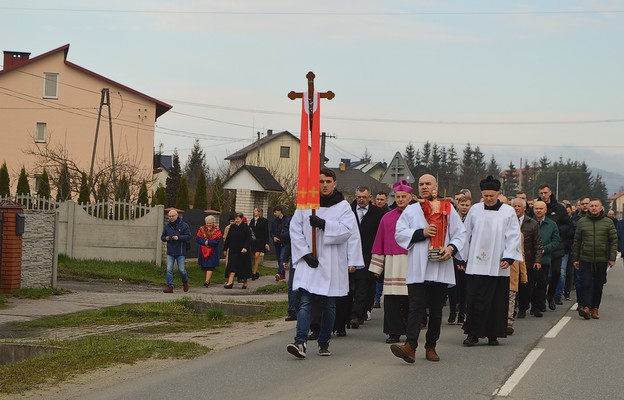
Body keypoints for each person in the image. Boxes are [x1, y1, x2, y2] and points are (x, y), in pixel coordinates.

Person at [286, 168, 363, 358]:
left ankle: (324, 340)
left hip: (331, 262)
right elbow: (295, 229)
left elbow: (348, 231)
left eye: (328, 181)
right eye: (321, 181)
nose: (325, 185)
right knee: (305, 302)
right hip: (309, 261)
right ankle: (300, 341)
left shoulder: (343, 207)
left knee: (329, 304)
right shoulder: (305, 205)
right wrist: (304, 254)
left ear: (334, 183)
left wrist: (324, 225)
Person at [391, 174, 466, 363]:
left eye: (428, 184)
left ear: (436, 186)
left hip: (440, 266)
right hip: (418, 267)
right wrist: (421, 233)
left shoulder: (447, 208)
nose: (424, 186)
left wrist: (451, 248)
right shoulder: (411, 209)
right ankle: (410, 346)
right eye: (421, 184)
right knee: (415, 307)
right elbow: (399, 233)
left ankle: (431, 346)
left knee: (436, 310)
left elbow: (460, 233)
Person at [459, 175, 522, 347]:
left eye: (491, 196)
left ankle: (493, 333)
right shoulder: (475, 210)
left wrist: (509, 256)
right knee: (474, 299)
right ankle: (473, 333)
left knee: (496, 300)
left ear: (498, 194)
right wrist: (463, 258)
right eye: (485, 195)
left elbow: (514, 235)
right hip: (475, 263)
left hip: (497, 263)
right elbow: (466, 234)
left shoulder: (508, 211)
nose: (488, 199)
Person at [369, 180, 412, 344]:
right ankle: (393, 332)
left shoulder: (417, 215)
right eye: (398, 196)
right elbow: (379, 240)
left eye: (403, 196)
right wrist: (377, 267)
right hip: (392, 263)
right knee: (392, 300)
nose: (400, 199)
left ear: (410, 197)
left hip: (411, 262)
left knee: (410, 299)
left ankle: (410, 331)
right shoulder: (387, 218)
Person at [572, 199, 617, 320]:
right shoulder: (582, 222)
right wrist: (575, 258)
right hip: (585, 258)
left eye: (596, 206)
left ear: (601, 208)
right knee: (586, 283)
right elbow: (577, 241)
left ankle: (595, 308)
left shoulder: (608, 222)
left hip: (602, 259)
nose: (593, 208)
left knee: (598, 284)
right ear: (588, 208)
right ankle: (586, 307)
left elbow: (613, 241)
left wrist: (612, 257)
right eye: (591, 206)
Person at [349, 186, 385, 329]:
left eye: (364, 197)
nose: (361, 200)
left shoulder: (378, 213)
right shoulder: (349, 211)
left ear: (370, 197)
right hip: (350, 253)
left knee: (363, 286)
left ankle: (358, 315)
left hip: (369, 254)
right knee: (352, 287)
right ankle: (354, 313)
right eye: (359, 197)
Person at [537, 184, 573, 311]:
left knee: (557, 273)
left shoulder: (559, 208)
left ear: (550, 192)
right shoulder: (536, 208)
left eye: (545, 193)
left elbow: (568, 226)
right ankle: (539, 301)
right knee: (542, 276)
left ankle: (551, 295)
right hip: (540, 248)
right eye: (541, 193)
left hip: (556, 247)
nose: (543, 195)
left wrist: (554, 228)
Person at [527, 201, 560, 317]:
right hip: (529, 259)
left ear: (545, 210)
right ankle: (532, 304)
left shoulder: (551, 224)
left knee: (541, 284)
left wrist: (544, 249)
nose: (538, 211)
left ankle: (538, 306)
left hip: (544, 259)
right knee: (530, 284)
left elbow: (556, 241)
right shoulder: (528, 222)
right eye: (536, 208)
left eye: (541, 208)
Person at [513, 198, 543, 320]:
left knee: (526, 286)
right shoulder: (507, 221)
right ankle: (511, 308)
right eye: (514, 206)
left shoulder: (532, 223)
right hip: (512, 259)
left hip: (527, 260)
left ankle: (523, 308)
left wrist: (537, 260)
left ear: (524, 208)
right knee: (512, 287)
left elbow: (537, 244)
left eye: (519, 206)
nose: (516, 208)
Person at [448, 194, 471, 324]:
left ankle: (462, 314)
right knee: (452, 286)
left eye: (467, 205)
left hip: (467, 258)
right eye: (462, 205)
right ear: (458, 205)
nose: (464, 207)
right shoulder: (453, 217)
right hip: (453, 256)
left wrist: (464, 260)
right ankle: (452, 312)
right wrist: (456, 258)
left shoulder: (472, 219)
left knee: (464, 287)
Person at [161, 209, 192, 293]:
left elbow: (188, 236)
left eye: (172, 216)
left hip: (180, 251)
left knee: (182, 270)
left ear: (177, 215)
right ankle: (170, 286)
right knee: (169, 269)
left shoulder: (184, 225)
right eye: (169, 216)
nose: (171, 218)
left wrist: (179, 238)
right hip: (170, 251)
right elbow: (162, 237)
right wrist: (166, 238)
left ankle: (185, 282)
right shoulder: (167, 226)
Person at [223, 212, 253, 289]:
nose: (236, 220)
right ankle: (230, 282)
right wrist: (225, 249)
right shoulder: (232, 227)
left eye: (238, 219)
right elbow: (228, 239)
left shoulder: (246, 228)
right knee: (232, 266)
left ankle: (245, 282)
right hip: (233, 250)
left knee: (243, 267)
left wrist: (245, 248)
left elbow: (248, 239)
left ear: (241, 219)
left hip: (243, 251)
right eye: (235, 219)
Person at [196, 215, 223, 287]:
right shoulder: (201, 229)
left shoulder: (217, 230)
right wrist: (205, 242)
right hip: (203, 250)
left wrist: (209, 243)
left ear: (213, 223)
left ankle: (207, 281)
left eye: (210, 223)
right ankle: (207, 280)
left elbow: (217, 240)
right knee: (205, 266)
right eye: (207, 223)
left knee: (210, 266)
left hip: (213, 251)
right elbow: (198, 238)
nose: (208, 224)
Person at [249, 207, 270, 280]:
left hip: (260, 241)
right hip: (253, 241)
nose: (254, 212)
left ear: (259, 212)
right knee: (253, 256)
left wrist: (267, 243)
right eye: (254, 210)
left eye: (256, 211)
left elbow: (266, 232)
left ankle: (254, 273)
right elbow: (250, 230)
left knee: (257, 256)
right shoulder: (252, 220)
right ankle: (256, 271)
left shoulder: (264, 221)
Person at [271, 205, 290, 281]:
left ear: (280, 211)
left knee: (282, 257)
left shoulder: (288, 220)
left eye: (275, 212)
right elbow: (271, 231)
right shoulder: (274, 221)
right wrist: (273, 237)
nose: (274, 214)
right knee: (279, 259)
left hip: (285, 242)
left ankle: (279, 273)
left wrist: (285, 236)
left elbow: (289, 230)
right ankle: (282, 275)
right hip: (277, 242)